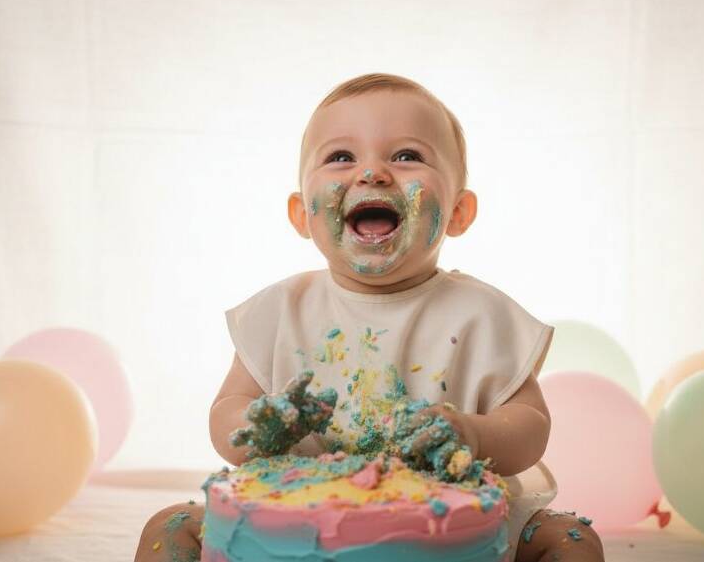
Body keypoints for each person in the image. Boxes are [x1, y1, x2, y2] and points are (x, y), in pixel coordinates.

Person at [135, 73, 604, 562]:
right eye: (341, 157)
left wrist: (473, 433)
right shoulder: (279, 311)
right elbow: (228, 408)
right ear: (300, 214)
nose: (373, 173)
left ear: (460, 211)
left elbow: (529, 426)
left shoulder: (484, 315)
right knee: (170, 528)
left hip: (452, 535)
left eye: (407, 156)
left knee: (567, 539)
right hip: (296, 532)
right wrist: (254, 426)